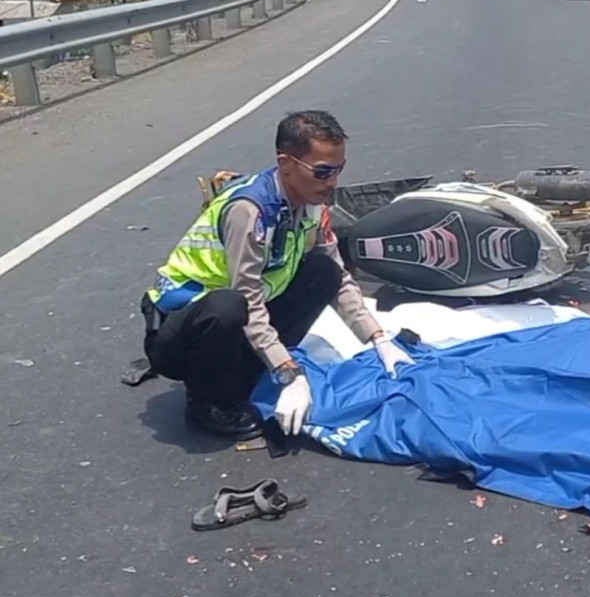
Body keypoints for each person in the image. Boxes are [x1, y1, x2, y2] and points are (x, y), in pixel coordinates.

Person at [139, 111, 415, 440]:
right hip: (181, 333)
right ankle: (207, 403)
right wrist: (288, 372)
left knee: (322, 271)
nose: (332, 182)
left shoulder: (314, 204)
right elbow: (248, 298)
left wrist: (378, 339)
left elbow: (339, 277)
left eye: (338, 170)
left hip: (237, 321)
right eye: (322, 172)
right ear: (286, 164)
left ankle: (249, 369)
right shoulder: (250, 212)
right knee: (228, 305)